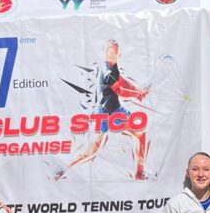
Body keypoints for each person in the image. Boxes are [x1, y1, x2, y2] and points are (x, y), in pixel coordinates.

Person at [56, 39, 150, 180]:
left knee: (141, 134)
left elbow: (123, 81)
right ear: (105, 53)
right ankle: (62, 169)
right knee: (89, 152)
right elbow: (121, 91)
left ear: (118, 54)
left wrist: (138, 90)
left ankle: (139, 173)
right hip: (104, 115)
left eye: (115, 53)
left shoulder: (114, 67)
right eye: (110, 53)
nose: (112, 56)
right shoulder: (107, 71)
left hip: (117, 111)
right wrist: (137, 94)